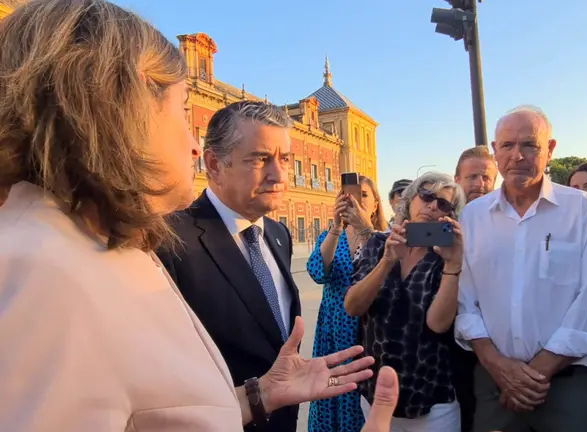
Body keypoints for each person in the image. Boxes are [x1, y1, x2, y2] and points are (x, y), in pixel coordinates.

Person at [0, 1, 376, 430]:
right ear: (122, 108)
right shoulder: (42, 274)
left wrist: (260, 395)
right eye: (181, 110)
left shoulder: (95, 249)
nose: (194, 148)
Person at [455, 106, 587, 432]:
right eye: (508, 145)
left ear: (550, 149)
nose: (518, 156)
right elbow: (464, 300)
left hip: (567, 389)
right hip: (494, 385)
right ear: (495, 151)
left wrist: (535, 374)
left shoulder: (583, 211)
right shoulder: (472, 216)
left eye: (530, 145)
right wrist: (498, 367)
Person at [157, 100, 309, 431]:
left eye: (285, 159)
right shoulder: (168, 240)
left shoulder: (278, 234)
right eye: (260, 159)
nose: (279, 175)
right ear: (214, 163)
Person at [346, 172, 467, 431]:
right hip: (376, 396)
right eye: (427, 197)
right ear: (410, 201)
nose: (433, 206)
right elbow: (352, 306)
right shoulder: (379, 244)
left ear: (451, 216)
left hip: (431, 402)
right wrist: (387, 261)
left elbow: (437, 324)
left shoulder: (445, 255)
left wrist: (454, 264)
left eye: (444, 204)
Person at [307, 176, 388, 432]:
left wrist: (366, 232)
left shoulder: (385, 239)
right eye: (348, 194)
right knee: (333, 391)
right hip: (334, 332)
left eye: (363, 195)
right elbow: (318, 271)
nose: (354, 199)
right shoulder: (331, 236)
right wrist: (335, 228)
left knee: (363, 393)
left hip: (370, 332)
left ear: (375, 204)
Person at [452, 145, 498, 432]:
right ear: (457, 179)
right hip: (448, 340)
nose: (479, 184)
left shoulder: (507, 224)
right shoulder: (440, 220)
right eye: (471, 177)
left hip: (493, 341)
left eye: (486, 178)